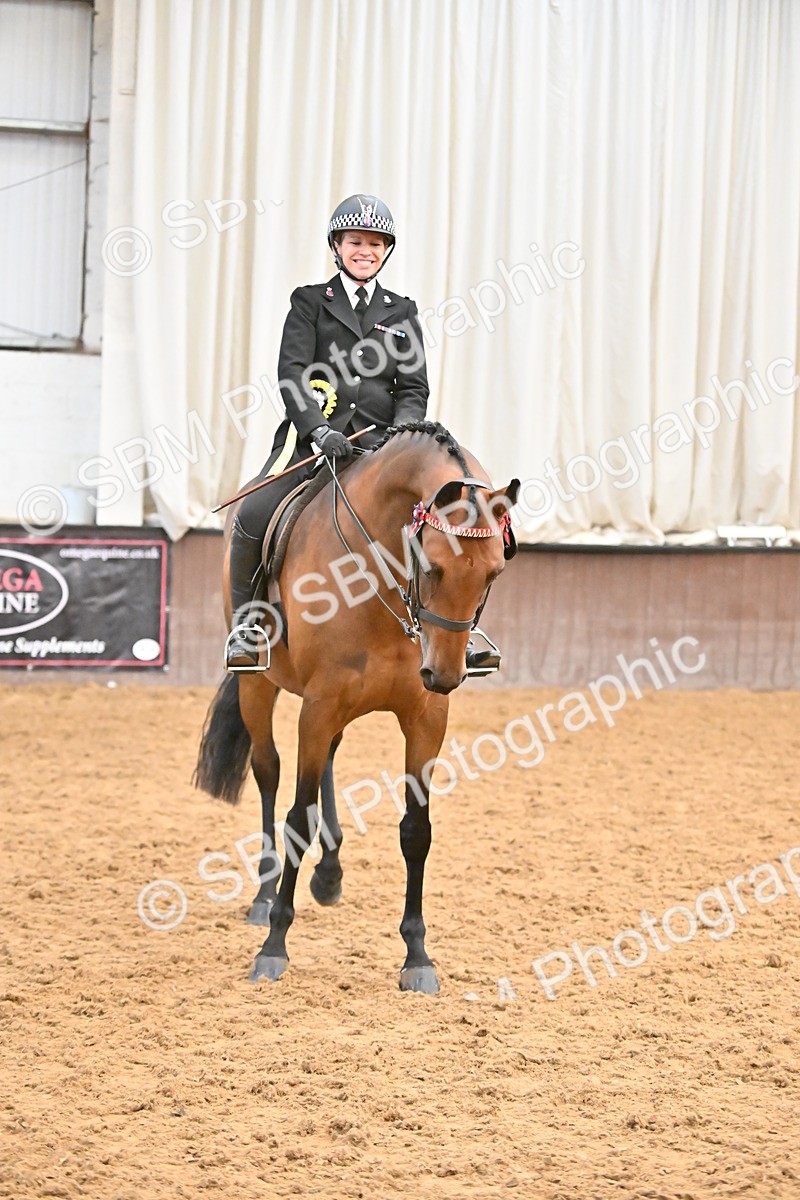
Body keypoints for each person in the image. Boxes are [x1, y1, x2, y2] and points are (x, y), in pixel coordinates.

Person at [224, 193, 501, 677]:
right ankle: (249, 626)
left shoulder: (402, 311)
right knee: (253, 511)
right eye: (356, 242)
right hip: (315, 441)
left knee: (449, 523)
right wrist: (319, 428)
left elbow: (413, 387)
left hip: (383, 448)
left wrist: (399, 438)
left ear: (385, 251)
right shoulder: (310, 301)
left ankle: (464, 629)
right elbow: (292, 373)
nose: (365, 251)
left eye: (375, 244)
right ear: (337, 245)